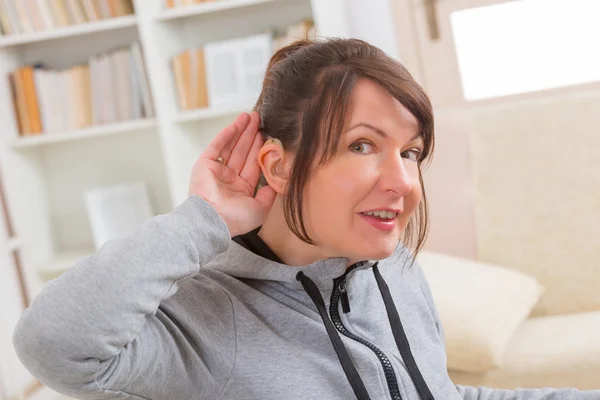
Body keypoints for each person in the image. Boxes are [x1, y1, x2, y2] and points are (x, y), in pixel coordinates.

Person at [12, 38, 600, 400]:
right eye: (364, 145)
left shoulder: (391, 269)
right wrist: (204, 219)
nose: (403, 182)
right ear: (278, 165)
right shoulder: (204, 316)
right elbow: (52, 346)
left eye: (412, 152)